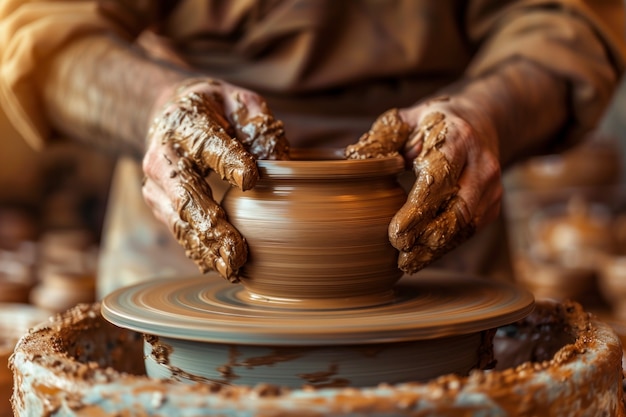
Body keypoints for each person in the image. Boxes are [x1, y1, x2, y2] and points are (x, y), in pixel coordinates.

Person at [0, 1, 625, 296]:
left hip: (429, 218)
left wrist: (486, 114)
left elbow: (569, 26)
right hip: (197, 228)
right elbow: (42, 31)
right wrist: (158, 104)